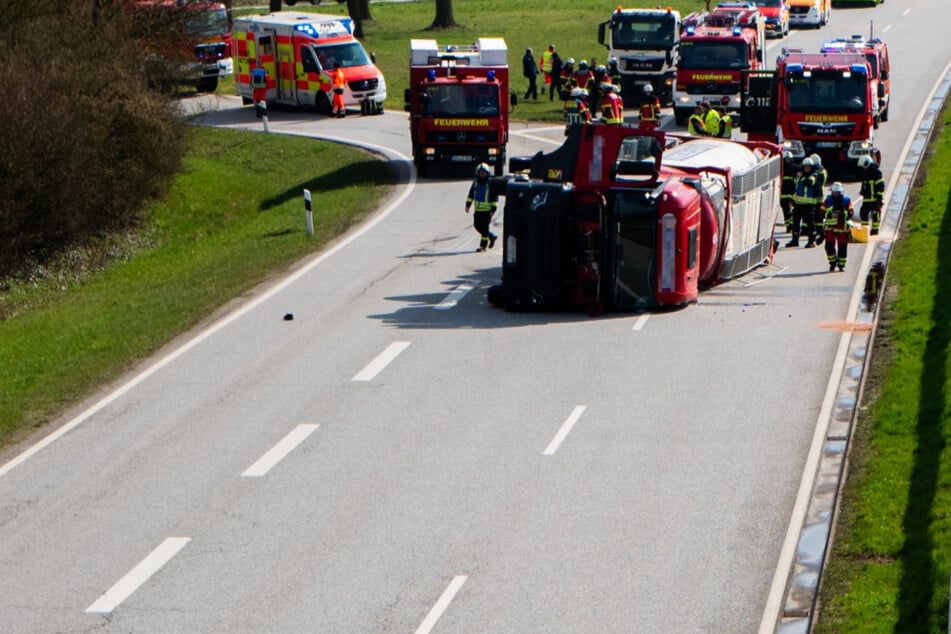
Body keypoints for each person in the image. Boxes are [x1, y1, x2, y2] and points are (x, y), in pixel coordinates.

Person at [820, 182, 855, 272]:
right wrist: (829, 213)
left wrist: (843, 214)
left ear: (840, 192)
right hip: (830, 228)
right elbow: (822, 211)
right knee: (829, 246)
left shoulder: (847, 200)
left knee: (842, 247)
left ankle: (841, 264)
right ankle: (832, 263)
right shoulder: (827, 200)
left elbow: (851, 212)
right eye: (834, 192)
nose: (835, 194)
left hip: (842, 228)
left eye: (837, 192)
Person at [788, 156, 821, 248]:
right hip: (798, 204)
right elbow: (795, 188)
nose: (807, 168)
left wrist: (802, 177)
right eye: (805, 166)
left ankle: (811, 241)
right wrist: (792, 200)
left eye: (808, 167)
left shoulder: (813, 175)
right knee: (795, 223)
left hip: (809, 205)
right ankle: (795, 240)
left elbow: (809, 182)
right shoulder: (799, 177)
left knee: (811, 224)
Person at [465, 163, 498, 252]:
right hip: (478, 210)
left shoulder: (490, 183)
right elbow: (471, 194)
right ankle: (491, 236)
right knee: (477, 226)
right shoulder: (475, 182)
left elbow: (495, 197)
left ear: (487, 173)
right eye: (480, 172)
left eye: (484, 172)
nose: (482, 174)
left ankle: (483, 246)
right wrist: (468, 205)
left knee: (484, 228)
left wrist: (493, 209)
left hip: (487, 211)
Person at [857, 155, 885, 236]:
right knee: (863, 213)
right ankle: (864, 231)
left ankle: (875, 231)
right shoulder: (865, 173)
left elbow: (881, 186)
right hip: (867, 199)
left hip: (875, 199)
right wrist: (862, 191)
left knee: (876, 215)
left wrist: (879, 199)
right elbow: (864, 184)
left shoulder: (877, 173)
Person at [809, 154, 828, 244]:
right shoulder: (823, 171)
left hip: (816, 196)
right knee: (818, 215)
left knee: (816, 215)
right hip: (821, 195)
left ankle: (820, 231)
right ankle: (819, 231)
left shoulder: (816, 173)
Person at [780, 151, 797, 235]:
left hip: (793, 193)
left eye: (789, 159)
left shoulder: (794, 167)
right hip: (783, 194)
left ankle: (793, 225)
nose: (787, 160)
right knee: (786, 211)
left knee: (795, 211)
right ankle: (788, 227)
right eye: (786, 159)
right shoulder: (780, 169)